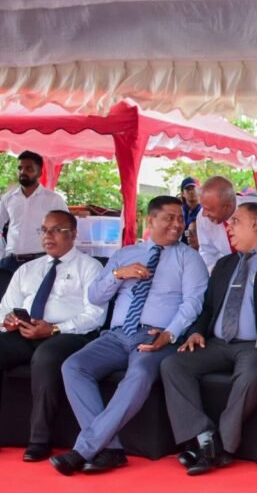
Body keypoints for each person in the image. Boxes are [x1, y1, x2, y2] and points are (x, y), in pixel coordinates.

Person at [52, 197, 208, 475]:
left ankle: (84, 449)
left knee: (139, 374)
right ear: (151, 220)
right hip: (117, 335)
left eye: (180, 218)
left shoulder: (189, 258)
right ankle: (110, 448)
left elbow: (193, 302)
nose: (177, 224)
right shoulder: (125, 254)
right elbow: (95, 297)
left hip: (154, 335)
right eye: (169, 218)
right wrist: (117, 274)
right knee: (73, 366)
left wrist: (170, 333)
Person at [161, 202, 257, 475]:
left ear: (256, 224)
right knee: (173, 364)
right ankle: (202, 436)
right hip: (216, 343)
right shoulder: (224, 264)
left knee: (251, 374)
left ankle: (221, 445)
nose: (228, 227)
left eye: (236, 222)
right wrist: (196, 331)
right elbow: (208, 309)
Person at [0, 210, 105, 462]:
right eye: (44, 230)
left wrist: (55, 329)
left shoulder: (90, 267)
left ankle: (39, 440)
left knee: (46, 357)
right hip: (26, 331)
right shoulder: (27, 269)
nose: (48, 236)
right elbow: (5, 308)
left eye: (57, 230)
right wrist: (8, 321)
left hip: (69, 334)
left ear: (74, 234)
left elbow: (95, 315)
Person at [0, 151, 69, 297]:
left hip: (39, 261)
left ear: (39, 172)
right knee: (6, 304)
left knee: (34, 304)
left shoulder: (53, 199)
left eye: (29, 168)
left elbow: (66, 229)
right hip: (10, 262)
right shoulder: (8, 198)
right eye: (20, 168)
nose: (23, 172)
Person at [179, 176, 201, 244]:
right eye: (188, 189)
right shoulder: (179, 211)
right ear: (183, 194)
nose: (191, 192)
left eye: (194, 189)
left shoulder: (205, 212)